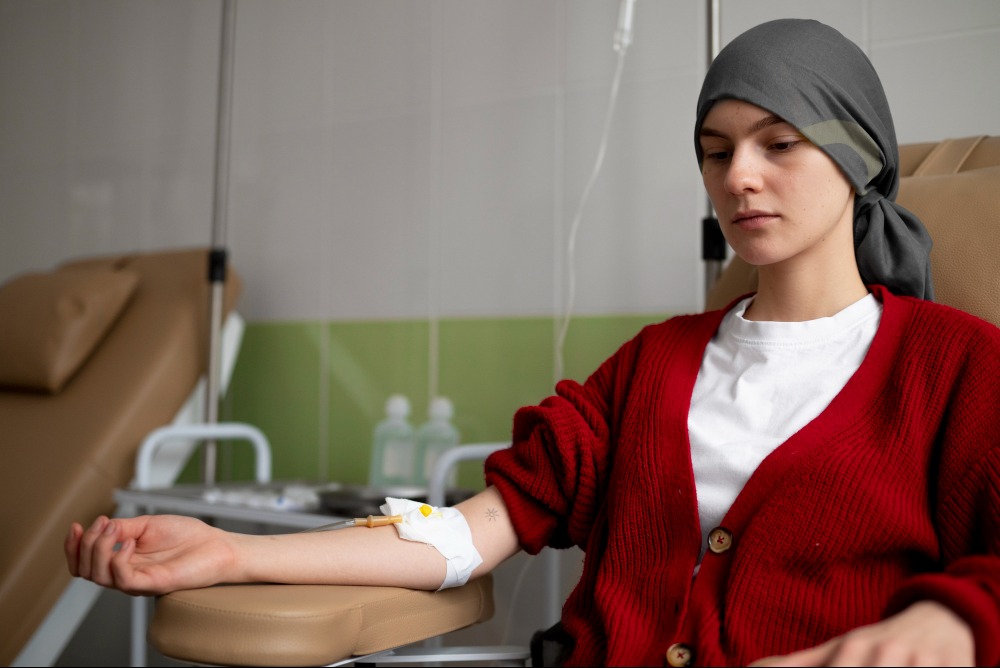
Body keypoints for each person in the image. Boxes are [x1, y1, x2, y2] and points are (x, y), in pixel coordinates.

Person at [65, 19, 999, 667]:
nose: (739, 178)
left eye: (778, 142)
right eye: (717, 151)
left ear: (856, 155)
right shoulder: (651, 365)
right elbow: (469, 532)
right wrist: (230, 551)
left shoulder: (955, 370)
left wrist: (950, 626)